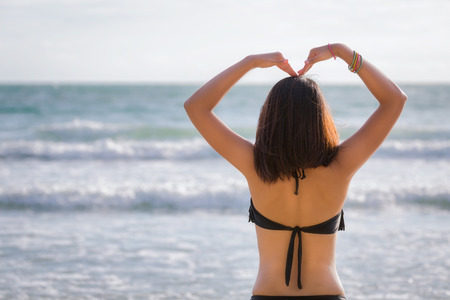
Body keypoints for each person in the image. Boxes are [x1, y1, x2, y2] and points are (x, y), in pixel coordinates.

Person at [184, 43, 407, 300]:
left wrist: (250, 62)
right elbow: (394, 100)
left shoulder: (255, 164)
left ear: (269, 116)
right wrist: (341, 51)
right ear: (319, 117)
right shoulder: (341, 166)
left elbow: (196, 106)